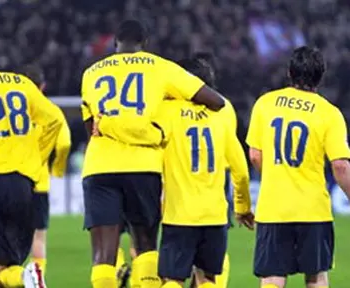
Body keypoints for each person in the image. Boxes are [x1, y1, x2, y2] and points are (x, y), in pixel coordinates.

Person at [81, 19, 225, 288]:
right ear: (145, 44)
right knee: (145, 245)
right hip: (143, 166)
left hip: (99, 167)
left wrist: (115, 125)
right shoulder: (160, 67)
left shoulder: (91, 73)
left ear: (115, 45)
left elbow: (93, 129)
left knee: (103, 255)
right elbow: (215, 101)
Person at [246, 46, 350, 288]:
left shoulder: (265, 104)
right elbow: (341, 166)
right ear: (321, 75)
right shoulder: (329, 113)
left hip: (273, 208)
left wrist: (275, 176)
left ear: (289, 72)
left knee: (272, 277)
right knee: (316, 277)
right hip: (313, 210)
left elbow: (254, 156)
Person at [0, 33, 63, 288]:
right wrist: (34, 158)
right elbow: (54, 120)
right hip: (21, 183)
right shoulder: (20, 83)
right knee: (6, 270)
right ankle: (27, 277)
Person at [149, 57, 253, 288]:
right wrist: (243, 207)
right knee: (207, 279)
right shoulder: (222, 115)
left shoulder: (166, 111)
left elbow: (147, 141)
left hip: (179, 214)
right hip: (215, 215)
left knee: (172, 279)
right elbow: (241, 171)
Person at [184, 54, 248, 288]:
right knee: (212, 253)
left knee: (182, 253)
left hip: (184, 183)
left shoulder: (174, 108)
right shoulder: (225, 106)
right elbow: (232, 152)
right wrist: (243, 204)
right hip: (216, 183)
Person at [20, 64, 71, 277]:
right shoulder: (51, 111)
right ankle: (37, 278)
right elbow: (64, 143)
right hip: (39, 182)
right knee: (38, 237)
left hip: (14, 179)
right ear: (43, 85)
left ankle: (6, 277)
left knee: (8, 236)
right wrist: (56, 169)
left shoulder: (14, 110)